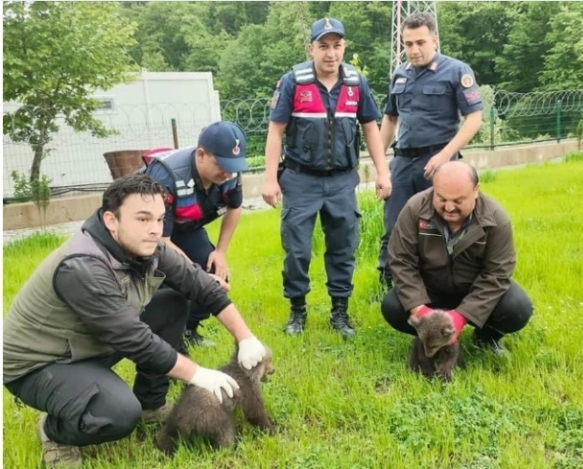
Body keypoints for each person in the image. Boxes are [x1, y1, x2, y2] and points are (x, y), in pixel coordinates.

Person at [3, 174, 267, 468]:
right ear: (111, 221)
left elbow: (200, 285)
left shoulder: (148, 247)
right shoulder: (82, 266)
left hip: (88, 343)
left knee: (171, 303)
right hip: (41, 363)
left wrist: (245, 337)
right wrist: (199, 374)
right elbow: (135, 340)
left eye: (159, 219)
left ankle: (151, 405)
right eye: (143, 219)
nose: (155, 230)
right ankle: (56, 431)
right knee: (117, 412)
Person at [261, 17, 392, 339]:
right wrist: (269, 179)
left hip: (341, 181)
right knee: (297, 251)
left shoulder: (356, 83)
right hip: (300, 180)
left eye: (336, 46)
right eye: (323, 46)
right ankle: (297, 311)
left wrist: (382, 171)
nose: (330, 53)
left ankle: (340, 312)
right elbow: (275, 132)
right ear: (311, 48)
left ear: (344, 47)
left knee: (343, 248)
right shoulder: (293, 81)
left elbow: (371, 128)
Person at [377, 11, 484, 288]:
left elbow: (474, 118)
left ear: (434, 39)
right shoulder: (399, 74)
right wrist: (379, 164)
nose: (414, 50)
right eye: (408, 44)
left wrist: (446, 155)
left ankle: (446, 283)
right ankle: (390, 283)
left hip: (440, 161)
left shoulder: (457, 71)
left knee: (442, 224)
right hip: (403, 163)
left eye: (420, 42)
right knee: (395, 225)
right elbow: (390, 119)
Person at [381, 161, 533, 354]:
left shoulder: (496, 218)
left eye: (458, 201)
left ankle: (486, 337)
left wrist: (461, 317)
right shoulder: (414, 209)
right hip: (430, 290)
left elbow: (497, 274)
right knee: (393, 306)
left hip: (473, 289)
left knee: (517, 308)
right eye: (442, 199)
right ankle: (432, 338)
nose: (449, 207)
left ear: (476, 190)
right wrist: (421, 311)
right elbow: (402, 261)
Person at [143, 121, 248, 347]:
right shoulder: (165, 178)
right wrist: (194, 275)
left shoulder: (230, 175)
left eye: (233, 164)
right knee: (173, 284)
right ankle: (167, 339)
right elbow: (160, 241)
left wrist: (220, 252)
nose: (229, 172)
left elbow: (235, 207)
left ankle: (189, 330)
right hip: (149, 237)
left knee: (214, 272)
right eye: (222, 164)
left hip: (184, 227)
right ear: (201, 155)